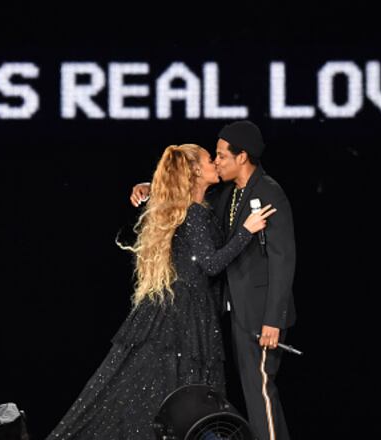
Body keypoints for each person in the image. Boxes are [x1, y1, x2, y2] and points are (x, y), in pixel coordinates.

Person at [46, 144, 275, 440]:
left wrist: (149, 187)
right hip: (183, 315)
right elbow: (211, 264)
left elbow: (175, 190)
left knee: (175, 396)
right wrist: (247, 230)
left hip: (180, 311)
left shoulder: (192, 206)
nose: (216, 164)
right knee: (183, 398)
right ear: (195, 170)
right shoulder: (193, 213)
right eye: (210, 160)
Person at [130, 121, 296, 440]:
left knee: (261, 393)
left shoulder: (268, 192)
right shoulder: (228, 196)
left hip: (262, 318)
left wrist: (274, 319)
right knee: (251, 393)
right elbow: (186, 193)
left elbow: (283, 259)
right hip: (238, 315)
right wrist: (151, 187)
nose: (217, 162)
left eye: (220, 155)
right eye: (214, 157)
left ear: (242, 156)